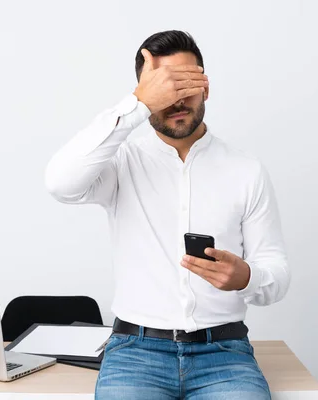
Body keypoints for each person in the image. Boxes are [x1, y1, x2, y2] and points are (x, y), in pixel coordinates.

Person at [45, 30, 290, 400]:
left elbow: (276, 270)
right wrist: (136, 104)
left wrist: (247, 277)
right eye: (164, 87)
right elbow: (60, 183)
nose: (176, 99)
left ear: (205, 87)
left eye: (185, 84)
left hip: (224, 354)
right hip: (135, 353)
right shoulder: (121, 162)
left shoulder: (246, 170)